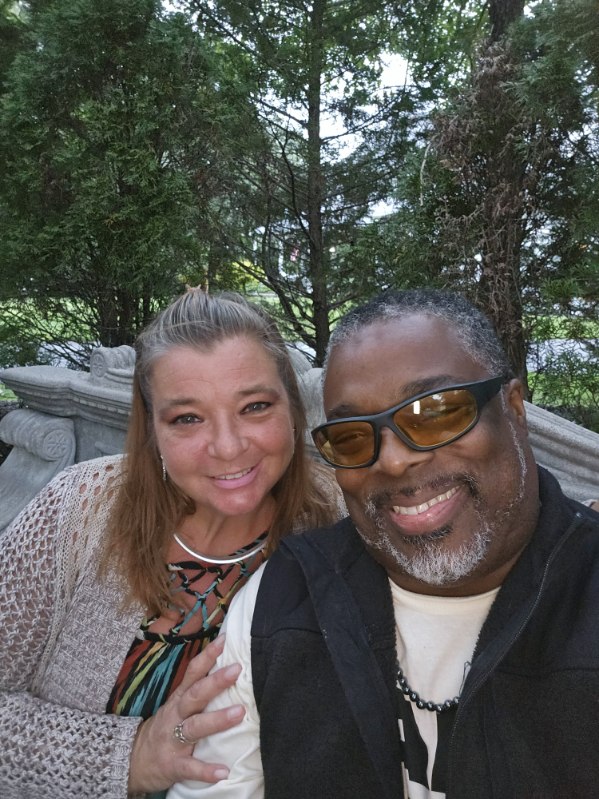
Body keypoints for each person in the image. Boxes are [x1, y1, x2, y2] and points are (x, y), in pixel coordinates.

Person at [169, 288, 599, 799]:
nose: (393, 461)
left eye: (436, 412)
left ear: (513, 409)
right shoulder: (280, 599)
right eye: (352, 437)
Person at [0, 289, 343, 799]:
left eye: (254, 406)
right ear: (152, 429)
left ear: (292, 409)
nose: (228, 446)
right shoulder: (78, 509)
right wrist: (128, 757)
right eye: (187, 418)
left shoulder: (336, 524)